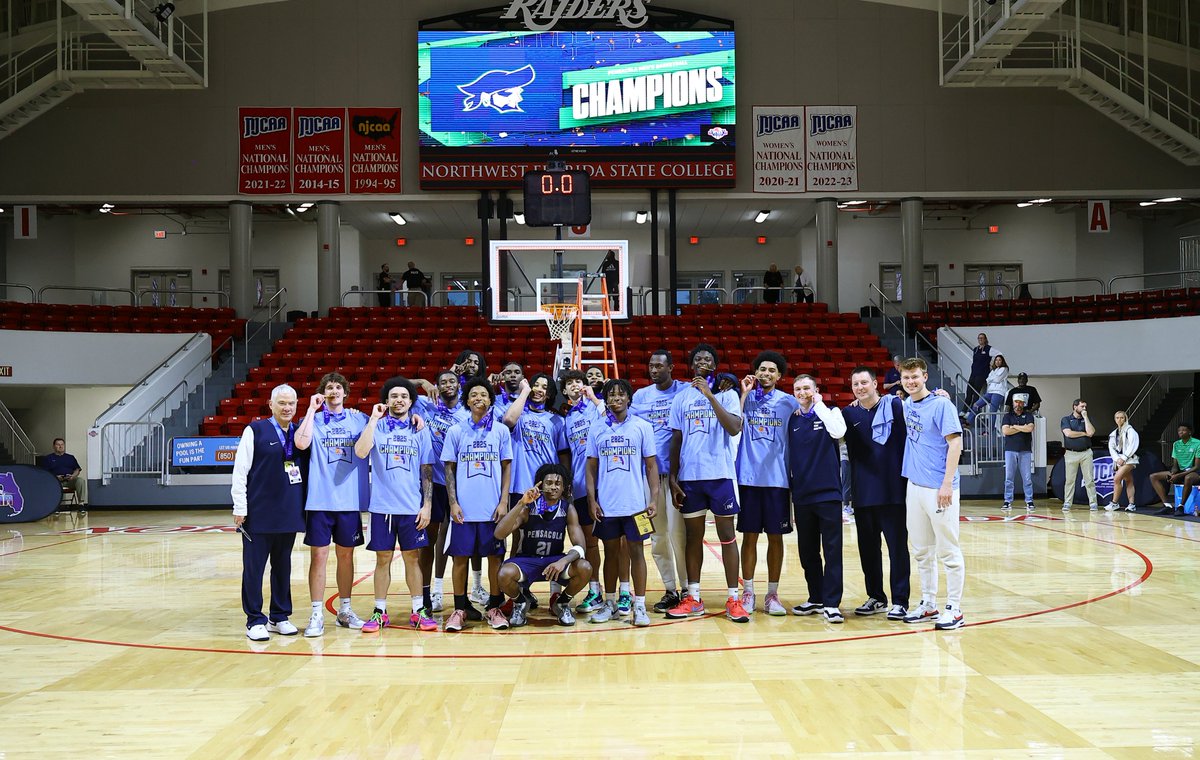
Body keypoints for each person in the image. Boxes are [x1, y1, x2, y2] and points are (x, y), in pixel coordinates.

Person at [665, 344, 749, 623]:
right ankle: (694, 598)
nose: (703, 361)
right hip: (690, 477)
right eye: (698, 358)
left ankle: (734, 599)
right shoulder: (681, 398)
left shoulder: (727, 394)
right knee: (693, 538)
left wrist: (710, 395)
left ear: (715, 365)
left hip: (720, 474)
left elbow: (734, 428)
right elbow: (676, 439)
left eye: (708, 359)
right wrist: (673, 478)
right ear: (691, 365)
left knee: (727, 536)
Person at [353, 377, 438, 633]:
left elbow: (427, 471)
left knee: (413, 559)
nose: (398, 400)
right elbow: (360, 452)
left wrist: (427, 505)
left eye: (403, 396)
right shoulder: (377, 427)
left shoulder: (420, 429)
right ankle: (380, 611)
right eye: (394, 396)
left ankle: (418, 611)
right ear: (386, 400)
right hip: (382, 508)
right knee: (383, 559)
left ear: (411, 402)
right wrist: (373, 419)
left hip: (411, 507)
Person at [294, 372, 369, 637]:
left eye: (338, 387)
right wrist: (311, 410)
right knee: (319, 556)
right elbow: (300, 443)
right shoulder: (312, 420)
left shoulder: (359, 419)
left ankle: (345, 610)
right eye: (329, 387)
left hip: (349, 501)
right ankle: (316, 613)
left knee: (346, 556)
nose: (334, 391)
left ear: (345, 393)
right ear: (322, 393)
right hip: (319, 500)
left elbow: (384, 427)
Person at [231, 384, 307, 642]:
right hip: (259, 512)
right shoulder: (255, 430)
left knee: (283, 566)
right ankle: (254, 619)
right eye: (282, 403)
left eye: (291, 403)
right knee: (254, 569)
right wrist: (240, 507)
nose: (287, 408)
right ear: (271, 405)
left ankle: (279, 616)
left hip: (288, 512)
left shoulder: (300, 433)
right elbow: (240, 471)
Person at [586, 378, 660, 627]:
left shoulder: (642, 427)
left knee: (637, 552)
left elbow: (651, 466)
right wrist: (592, 500)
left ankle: (639, 606)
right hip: (607, 505)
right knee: (610, 554)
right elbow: (590, 468)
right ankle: (610, 603)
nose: (616, 398)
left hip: (636, 505)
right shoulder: (597, 428)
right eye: (611, 395)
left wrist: (654, 498)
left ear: (629, 398)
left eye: (621, 394)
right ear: (605, 399)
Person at [899, 357, 965, 631]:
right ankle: (928, 602)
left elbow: (956, 443)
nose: (911, 381)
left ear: (925, 376)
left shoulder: (942, 404)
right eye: (906, 377)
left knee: (948, 550)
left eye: (915, 376)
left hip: (939, 488)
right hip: (914, 486)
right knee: (922, 551)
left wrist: (947, 484)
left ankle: (954, 608)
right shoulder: (906, 404)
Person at [441, 378, 513, 631]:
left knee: (495, 558)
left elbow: (507, 467)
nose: (479, 398)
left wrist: (503, 501)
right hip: (464, 509)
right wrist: (453, 503)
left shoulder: (501, 431)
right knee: (460, 559)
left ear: (491, 400)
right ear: (467, 400)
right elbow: (448, 468)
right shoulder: (456, 431)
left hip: (492, 509)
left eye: (483, 394)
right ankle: (460, 609)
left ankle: (494, 607)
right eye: (473, 394)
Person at [843, 366, 910, 621]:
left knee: (897, 549)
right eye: (855, 384)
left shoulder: (895, 406)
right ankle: (876, 597)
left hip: (893, 492)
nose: (860, 387)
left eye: (864, 382)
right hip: (863, 494)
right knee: (868, 550)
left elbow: (918, 408)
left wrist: (938, 395)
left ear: (875, 384)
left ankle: (900, 601)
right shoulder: (849, 413)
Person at [735, 351, 799, 616]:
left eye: (772, 370)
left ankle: (772, 594)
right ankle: (748, 592)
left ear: (779, 375)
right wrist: (743, 393)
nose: (766, 374)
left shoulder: (789, 402)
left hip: (777, 480)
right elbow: (733, 423)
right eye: (762, 369)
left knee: (776, 537)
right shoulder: (745, 398)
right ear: (755, 372)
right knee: (749, 536)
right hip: (748, 478)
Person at [494, 463, 592, 627]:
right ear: (540, 485)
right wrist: (520, 504)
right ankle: (520, 603)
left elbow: (580, 547)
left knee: (585, 567)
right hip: (527, 560)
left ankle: (562, 603)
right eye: (549, 483)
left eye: (558, 483)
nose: (553, 487)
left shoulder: (567, 509)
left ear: (563, 488)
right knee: (504, 573)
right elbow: (499, 534)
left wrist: (563, 561)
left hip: (554, 561)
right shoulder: (528, 508)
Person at [630, 350, 689, 613]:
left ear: (671, 367)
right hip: (649, 476)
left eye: (659, 366)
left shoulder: (684, 391)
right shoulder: (640, 396)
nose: (654, 370)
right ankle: (669, 589)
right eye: (651, 366)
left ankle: (688, 589)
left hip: (677, 475)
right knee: (657, 536)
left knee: (679, 534)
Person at [787, 374, 848, 623]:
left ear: (816, 390)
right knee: (807, 550)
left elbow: (839, 431)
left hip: (828, 493)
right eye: (798, 389)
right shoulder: (792, 419)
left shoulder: (830, 412)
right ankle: (816, 597)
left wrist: (819, 404)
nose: (802, 393)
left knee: (832, 550)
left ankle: (832, 603)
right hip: (802, 495)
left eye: (807, 388)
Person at [413, 370, 471, 612]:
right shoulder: (425, 404)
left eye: (452, 381)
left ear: (459, 385)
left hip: (460, 484)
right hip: (433, 483)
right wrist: (421, 381)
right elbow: (394, 386)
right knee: (428, 541)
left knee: (461, 543)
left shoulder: (467, 411)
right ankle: (425, 596)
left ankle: (461, 598)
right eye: (442, 381)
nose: (448, 385)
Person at [558, 369, 606, 613]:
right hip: (580, 486)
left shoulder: (598, 406)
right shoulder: (567, 419)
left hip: (607, 483)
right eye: (570, 383)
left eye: (579, 381)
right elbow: (567, 455)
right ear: (564, 391)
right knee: (590, 543)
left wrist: (594, 398)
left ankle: (623, 592)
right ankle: (595, 591)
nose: (575, 385)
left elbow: (611, 417)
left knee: (617, 542)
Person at [1150, 424, 1200, 515]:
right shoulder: (1176, 444)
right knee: (1153, 476)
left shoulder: (1197, 443)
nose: (1181, 432)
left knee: (1188, 478)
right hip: (1180, 471)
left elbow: (1196, 466)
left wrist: (1179, 475)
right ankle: (1167, 505)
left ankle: (1181, 507)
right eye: (1179, 430)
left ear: (1190, 432)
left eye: (1183, 430)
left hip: (1194, 472)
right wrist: (1173, 473)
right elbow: (1175, 465)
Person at [1060, 398, 1099, 512]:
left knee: (1089, 479)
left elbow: (1090, 433)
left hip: (1086, 453)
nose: (1084, 408)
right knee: (1070, 480)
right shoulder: (1066, 419)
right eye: (1082, 406)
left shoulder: (1087, 419)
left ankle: (1093, 503)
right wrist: (1083, 433)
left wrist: (1085, 417)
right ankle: (1067, 503)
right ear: (1075, 407)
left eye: (1085, 407)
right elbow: (1068, 433)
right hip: (1071, 453)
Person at [1000, 394, 1036, 513]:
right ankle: (1007, 501)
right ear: (1013, 403)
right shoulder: (1007, 416)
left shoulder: (1029, 415)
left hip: (1025, 450)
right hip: (1010, 450)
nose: (1018, 404)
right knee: (1008, 478)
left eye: (1020, 402)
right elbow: (1006, 431)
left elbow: (1029, 429)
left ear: (1023, 403)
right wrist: (1022, 427)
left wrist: (1014, 426)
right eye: (1016, 402)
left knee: (1027, 478)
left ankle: (1029, 501)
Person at [1108, 410, 1140, 513]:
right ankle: (1131, 504)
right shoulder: (1114, 433)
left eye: (1122, 418)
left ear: (1125, 418)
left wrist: (1124, 458)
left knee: (1117, 479)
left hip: (1129, 460)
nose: (1119, 420)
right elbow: (1111, 447)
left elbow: (1133, 445)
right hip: (1119, 460)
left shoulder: (1130, 430)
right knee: (1129, 481)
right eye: (1117, 418)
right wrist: (1117, 459)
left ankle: (1114, 503)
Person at [965, 354, 1008, 425]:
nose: (997, 362)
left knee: (992, 411)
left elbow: (997, 380)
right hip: (990, 392)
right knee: (976, 405)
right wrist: (992, 379)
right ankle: (968, 422)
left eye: (999, 360)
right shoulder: (993, 370)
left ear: (1002, 361)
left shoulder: (1004, 369)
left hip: (998, 392)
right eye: (996, 360)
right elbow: (987, 380)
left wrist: (991, 379)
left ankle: (990, 429)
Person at [41, 437, 86, 505]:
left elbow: (77, 469)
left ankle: (81, 504)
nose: (60, 446)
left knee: (80, 480)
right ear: (54, 446)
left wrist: (73, 476)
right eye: (58, 444)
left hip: (69, 481)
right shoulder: (48, 458)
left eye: (62, 444)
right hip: (55, 481)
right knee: (48, 484)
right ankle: (54, 505)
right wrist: (55, 477)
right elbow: (45, 473)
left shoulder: (70, 457)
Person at [967, 333, 997, 407]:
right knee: (969, 391)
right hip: (973, 373)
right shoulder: (976, 349)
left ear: (985, 339)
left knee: (976, 392)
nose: (980, 339)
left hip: (982, 374)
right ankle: (965, 409)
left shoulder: (989, 349)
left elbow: (999, 354)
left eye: (982, 338)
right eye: (979, 338)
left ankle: (972, 409)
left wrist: (994, 364)